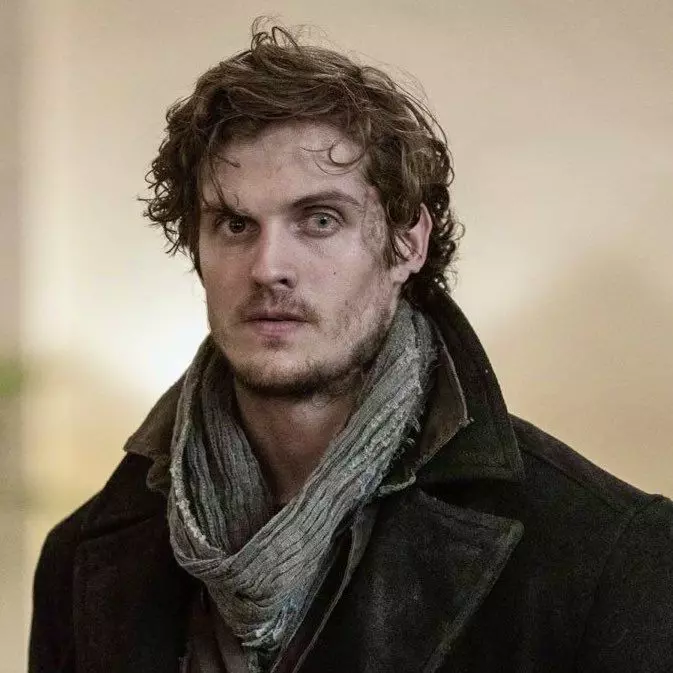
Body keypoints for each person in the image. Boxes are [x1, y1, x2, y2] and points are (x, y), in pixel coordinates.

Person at [29, 23, 673, 673]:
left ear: (407, 242)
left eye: (319, 220)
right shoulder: (80, 558)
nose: (268, 267)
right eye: (235, 223)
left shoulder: (606, 555)